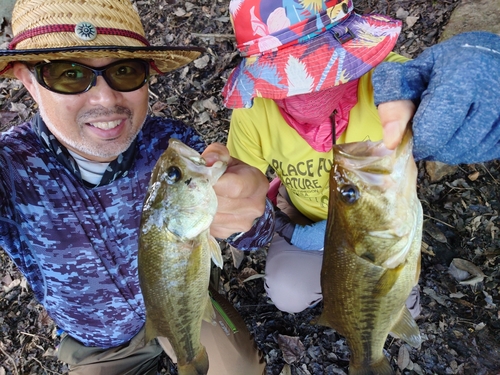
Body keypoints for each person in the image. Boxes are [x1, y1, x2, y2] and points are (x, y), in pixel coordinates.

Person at [0, 0, 273, 374]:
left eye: (125, 71)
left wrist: (251, 213)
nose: (106, 99)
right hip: (100, 344)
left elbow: (257, 237)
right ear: (27, 80)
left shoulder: (172, 143)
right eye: (69, 74)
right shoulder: (9, 169)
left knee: (240, 369)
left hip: (184, 299)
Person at [221, 0, 500, 315]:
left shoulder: (393, 83)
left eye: (318, 66)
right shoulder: (253, 113)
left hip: (382, 226)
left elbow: (438, 84)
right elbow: (243, 193)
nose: (302, 90)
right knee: (289, 291)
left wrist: (483, 65)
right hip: (305, 220)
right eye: (281, 77)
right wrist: (256, 220)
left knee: (399, 309)